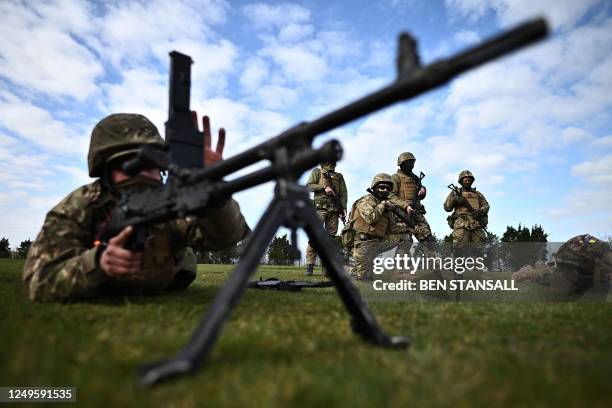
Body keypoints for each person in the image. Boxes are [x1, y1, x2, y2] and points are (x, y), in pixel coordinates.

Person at [23, 113, 249, 302]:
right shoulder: (78, 208)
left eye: (155, 163)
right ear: (106, 171)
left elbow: (224, 238)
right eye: (133, 164)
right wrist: (97, 263)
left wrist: (215, 196)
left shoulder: (168, 202)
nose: (146, 173)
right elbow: (39, 280)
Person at [512, 234, 611, 296]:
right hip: (576, 256)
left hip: (586, 260)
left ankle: (534, 272)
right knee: (559, 284)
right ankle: (531, 272)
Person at [348, 173, 398, 280]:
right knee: (363, 277)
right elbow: (371, 218)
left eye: (388, 188)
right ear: (375, 187)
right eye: (382, 187)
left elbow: (392, 228)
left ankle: (401, 271)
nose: (385, 190)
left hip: (376, 242)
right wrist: (383, 205)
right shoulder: (366, 200)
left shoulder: (385, 205)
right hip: (363, 242)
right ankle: (354, 269)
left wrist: (411, 228)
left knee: (404, 236)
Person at [304, 161, 348, 276]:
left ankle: (327, 267)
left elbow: (343, 194)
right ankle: (310, 265)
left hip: (334, 210)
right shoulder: (317, 172)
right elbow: (308, 186)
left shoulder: (339, 176)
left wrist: (343, 208)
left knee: (330, 239)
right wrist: (324, 187)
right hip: (320, 209)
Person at [443, 170, 490, 247]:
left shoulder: (478, 194)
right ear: (461, 181)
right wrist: (454, 200)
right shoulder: (455, 192)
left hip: (476, 223)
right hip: (461, 223)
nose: (468, 181)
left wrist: (478, 212)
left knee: (478, 250)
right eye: (465, 180)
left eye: (469, 180)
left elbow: (486, 206)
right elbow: (447, 207)